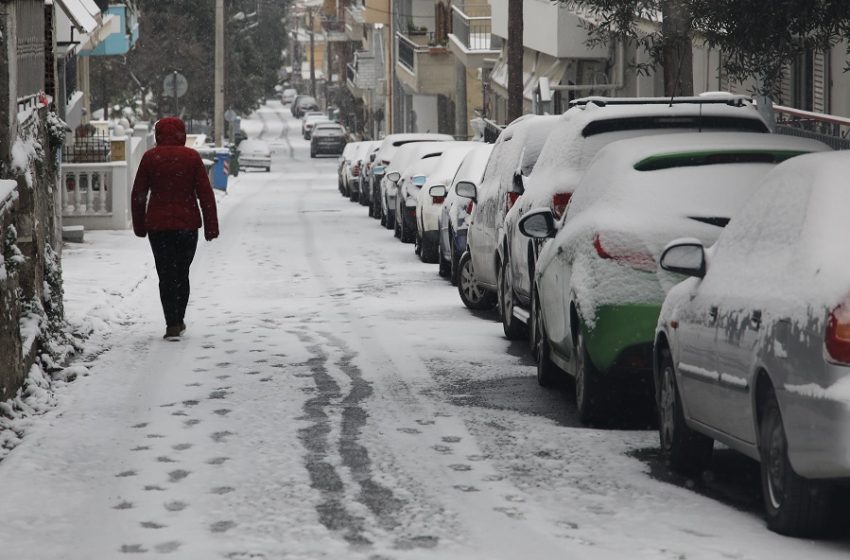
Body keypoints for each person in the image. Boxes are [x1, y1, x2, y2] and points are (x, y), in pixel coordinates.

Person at [131, 117, 219, 339]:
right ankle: (178, 318)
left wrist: (140, 225)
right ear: (182, 134)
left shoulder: (151, 158)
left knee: (165, 274)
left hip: (158, 228)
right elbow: (205, 194)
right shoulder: (191, 158)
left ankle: (171, 322)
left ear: (158, 134)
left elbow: (139, 194)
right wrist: (211, 226)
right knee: (182, 273)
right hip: (187, 226)